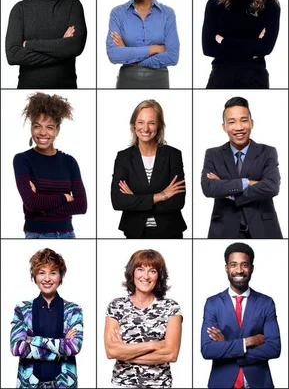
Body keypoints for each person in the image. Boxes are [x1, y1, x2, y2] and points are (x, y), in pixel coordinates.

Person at [201, 242, 281, 389]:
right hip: (222, 382)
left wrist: (227, 349)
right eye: (233, 264)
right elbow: (207, 350)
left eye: (244, 265)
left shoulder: (266, 303)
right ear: (226, 268)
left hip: (259, 383)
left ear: (251, 268)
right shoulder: (212, 303)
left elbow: (274, 348)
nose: (239, 270)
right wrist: (250, 341)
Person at [5, 0, 87, 89]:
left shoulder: (73, 5)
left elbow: (75, 47)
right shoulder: (20, 9)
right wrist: (61, 47)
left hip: (66, 91)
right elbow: (13, 56)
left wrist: (29, 44)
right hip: (27, 91)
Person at [201, 96, 283, 239]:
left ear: (251, 123)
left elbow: (272, 187)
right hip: (223, 229)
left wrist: (230, 193)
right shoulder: (213, 154)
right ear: (224, 126)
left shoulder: (268, 152)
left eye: (244, 120)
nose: (239, 127)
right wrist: (247, 182)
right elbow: (208, 188)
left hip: (263, 229)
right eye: (232, 122)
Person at [202, 0, 280, 89]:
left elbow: (266, 48)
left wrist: (223, 40)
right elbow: (208, 48)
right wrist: (251, 47)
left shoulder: (270, 5)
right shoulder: (215, 4)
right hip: (220, 78)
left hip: (254, 79)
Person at [13, 92, 87, 239]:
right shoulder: (22, 160)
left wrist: (41, 204)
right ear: (31, 128)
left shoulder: (69, 162)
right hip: (36, 235)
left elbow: (81, 206)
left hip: (67, 235)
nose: (43, 133)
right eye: (37, 126)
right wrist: (64, 197)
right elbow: (31, 203)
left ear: (57, 130)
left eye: (50, 127)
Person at [105, 249, 182, 388]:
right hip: (122, 384)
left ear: (159, 276)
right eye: (140, 269)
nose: (145, 276)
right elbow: (111, 352)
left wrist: (124, 351)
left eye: (152, 271)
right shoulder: (116, 306)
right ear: (132, 272)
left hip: (159, 385)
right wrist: (155, 345)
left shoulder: (171, 307)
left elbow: (171, 354)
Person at [106, 0, 179, 89]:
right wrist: (153, 49)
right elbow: (114, 54)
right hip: (127, 80)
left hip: (159, 80)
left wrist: (131, 58)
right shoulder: (118, 13)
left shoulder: (167, 13)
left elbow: (172, 56)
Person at [111, 99, 187, 238]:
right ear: (134, 125)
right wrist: (161, 196)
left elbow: (177, 201)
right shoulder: (124, 157)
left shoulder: (173, 155)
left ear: (159, 126)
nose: (145, 128)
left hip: (170, 231)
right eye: (140, 122)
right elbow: (117, 201)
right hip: (134, 231)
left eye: (151, 123)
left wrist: (135, 201)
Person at [11, 248, 83, 388]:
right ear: (34, 276)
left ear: (60, 276)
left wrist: (33, 340)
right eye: (41, 273)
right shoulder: (22, 309)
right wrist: (60, 348)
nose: (47, 278)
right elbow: (17, 348)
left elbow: (74, 347)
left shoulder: (73, 310)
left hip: (64, 383)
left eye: (53, 273)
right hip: (29, 384)